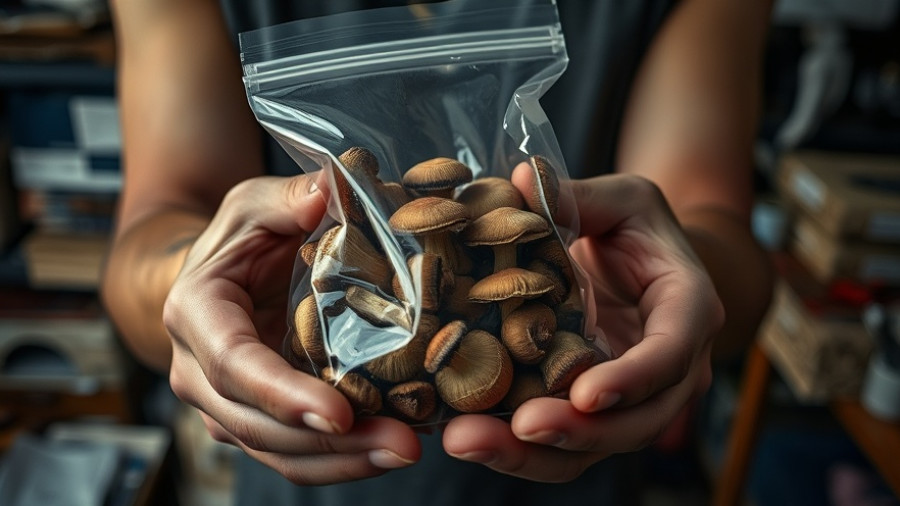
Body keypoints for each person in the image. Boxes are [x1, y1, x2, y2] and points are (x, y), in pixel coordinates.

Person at [100, 0, 775, 503]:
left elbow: (717, 230)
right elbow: (155, 226)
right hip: (306, 461)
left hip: (580, 448)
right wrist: (192, 287)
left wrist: (676, 284)